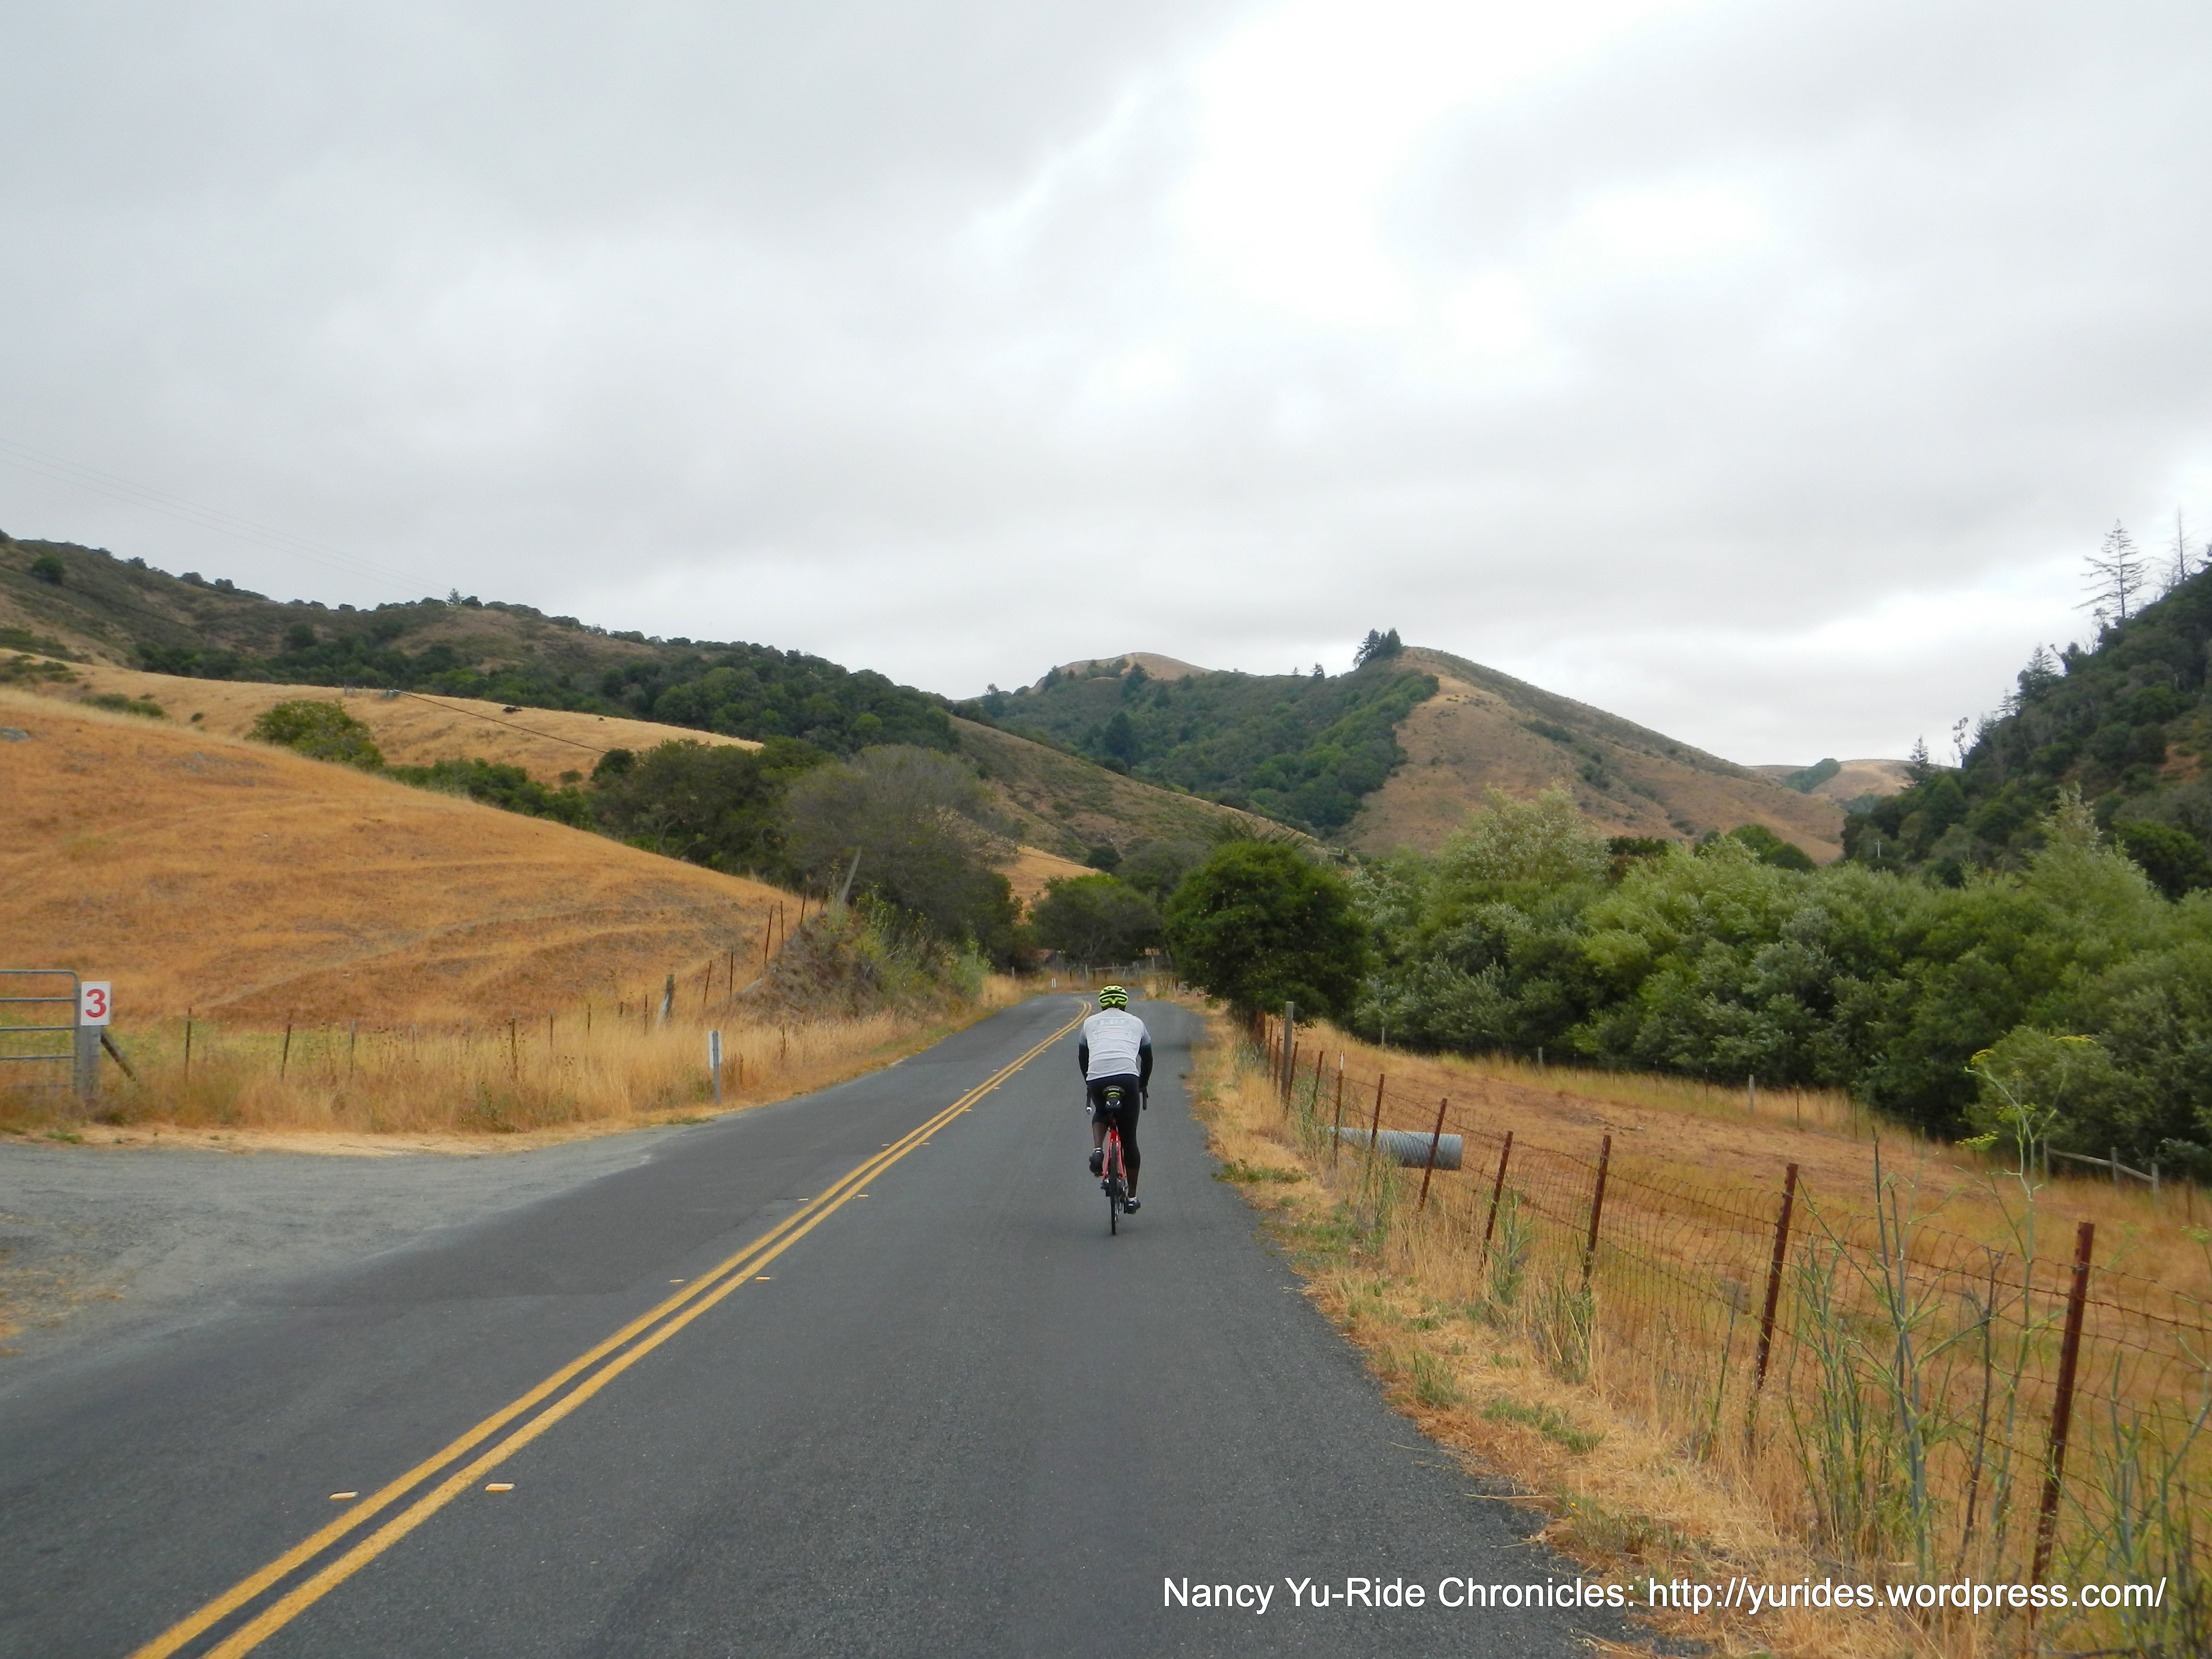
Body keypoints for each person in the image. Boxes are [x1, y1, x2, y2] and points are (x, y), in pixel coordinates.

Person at [1077, 985, 1152, 1210]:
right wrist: (1142, 1084)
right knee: (1129, 1139)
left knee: (1101, 1112)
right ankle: (1132, 1198)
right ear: (1124, 1004)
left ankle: (1098, 1149)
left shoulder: (1089, 1023)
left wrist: (1089, 1083)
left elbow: (1083, 1057)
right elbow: (1147, 1058)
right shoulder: (1137, 1023)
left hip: (1097, 1076)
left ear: (1102, 1004)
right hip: (1128, 1077)